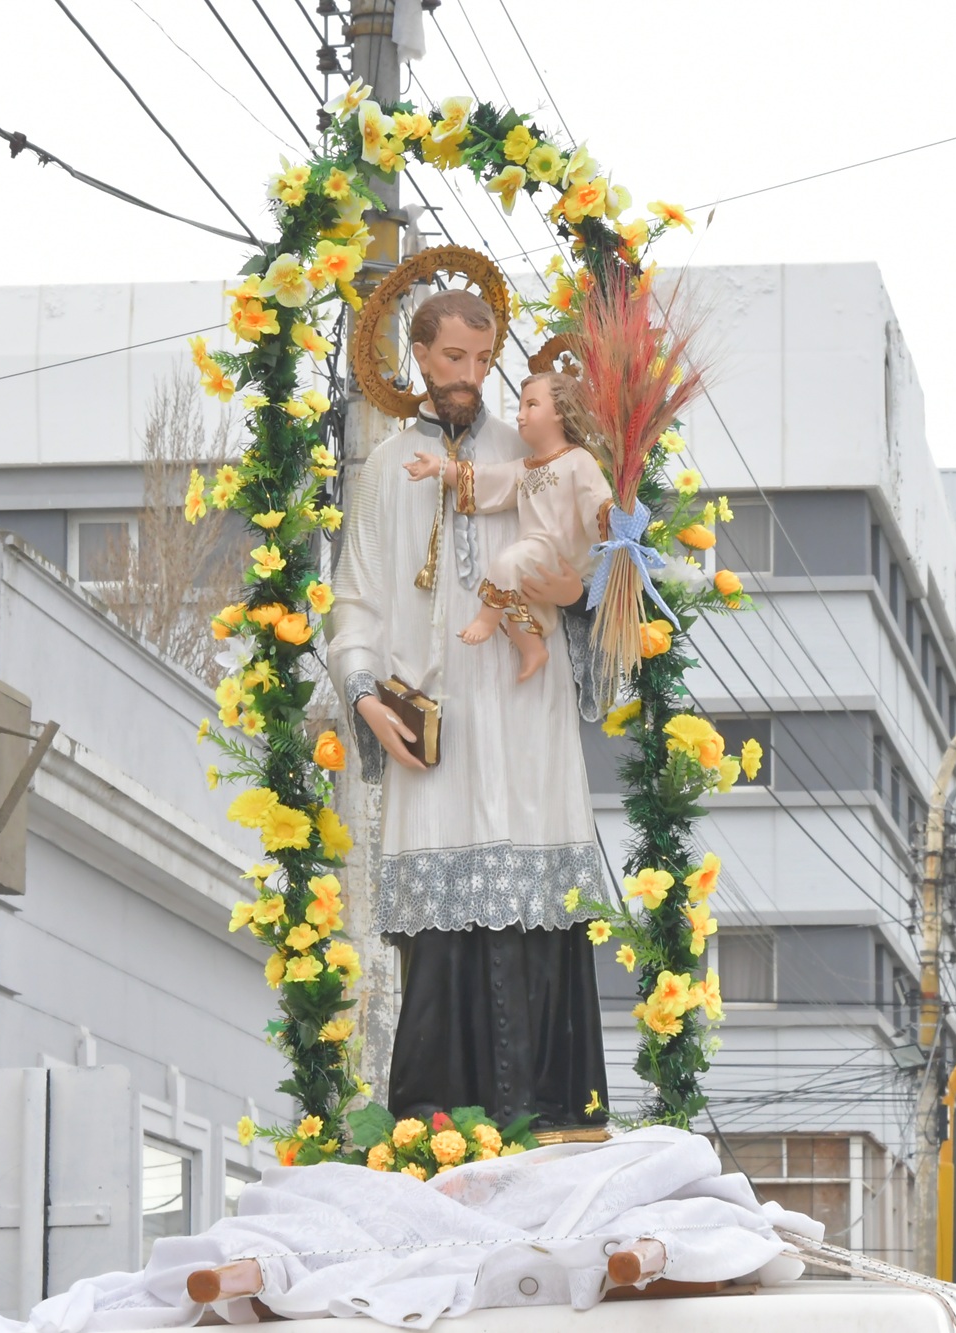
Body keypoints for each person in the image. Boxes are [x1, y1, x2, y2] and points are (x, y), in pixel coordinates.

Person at [328, 289, 609, 1129]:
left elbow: (580, 552)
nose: (469, 376)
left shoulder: (526, 448)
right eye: (454, 359)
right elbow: (357, 599)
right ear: (419, 353)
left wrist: (584, 578)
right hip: (435, 729)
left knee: (536, 913)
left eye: (484, 361)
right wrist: (364, 694)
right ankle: (437, 1129)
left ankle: (551, 1114)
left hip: (525, 717)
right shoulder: (384, 469)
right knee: (441, 937)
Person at [402, 371, 612, 682]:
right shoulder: (526, 468)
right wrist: (440, 466)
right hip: (537, 553)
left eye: (531, 405)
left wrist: (609, 523)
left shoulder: (577, 461)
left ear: (559, 411)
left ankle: (485, 620)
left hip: (557, 553)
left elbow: (596, 502)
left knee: (506, 562)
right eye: (520, 407)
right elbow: (486, 479)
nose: (520, 415)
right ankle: (533, 650)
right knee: (515, 604)